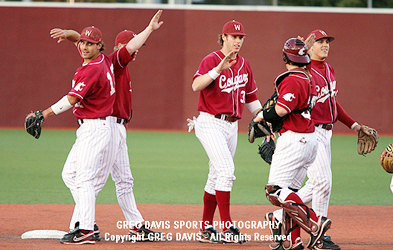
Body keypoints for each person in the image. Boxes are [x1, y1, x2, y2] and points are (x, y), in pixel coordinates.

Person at [50, 10, 164, 241]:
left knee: (122, 181)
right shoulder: (114, 61)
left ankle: (132, 225)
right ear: (117, 47)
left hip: (116, 128)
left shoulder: (105, 61)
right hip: (107, 126)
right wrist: (149, 30)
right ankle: (83, 225)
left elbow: (78, 39)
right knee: (92, 180)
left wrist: (68, 33)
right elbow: (128, 47)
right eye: (129, 44)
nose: (135, 49)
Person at [26, 26, 116, 244]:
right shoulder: (101, 59)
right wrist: (70, 34)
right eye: (82, 43)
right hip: (91, 127)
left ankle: (85, 229)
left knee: (84, 178)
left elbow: (73, 99)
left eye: (89, 44)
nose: (84, 47)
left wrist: (44, 113)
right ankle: (88, 221)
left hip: (95, 127)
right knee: (70, 174)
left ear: (99, 46)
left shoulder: (92, 69)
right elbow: (79, 39)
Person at [254, 38, 332, 250]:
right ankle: (292, 241)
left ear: (285, 57)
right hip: (310, 138)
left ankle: (315, 222)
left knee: (275, 191)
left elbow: (281, 110)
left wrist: (261, 116)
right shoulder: (308, 76)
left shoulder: (292, 79)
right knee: (290, 192)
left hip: (294, 138)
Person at [190, 20, 263, 244]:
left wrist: (263, 120)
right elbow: (196, 86)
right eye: (233, 37)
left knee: (216, 175)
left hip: (232, 125)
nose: (237, 41)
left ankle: (205, 228)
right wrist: (217, 70)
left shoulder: (245, 65)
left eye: (240, 37)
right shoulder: (211, 60)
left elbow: (251, 98)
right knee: (226, 170)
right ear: (223, 38)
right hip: (210, 122)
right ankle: (227, 226)